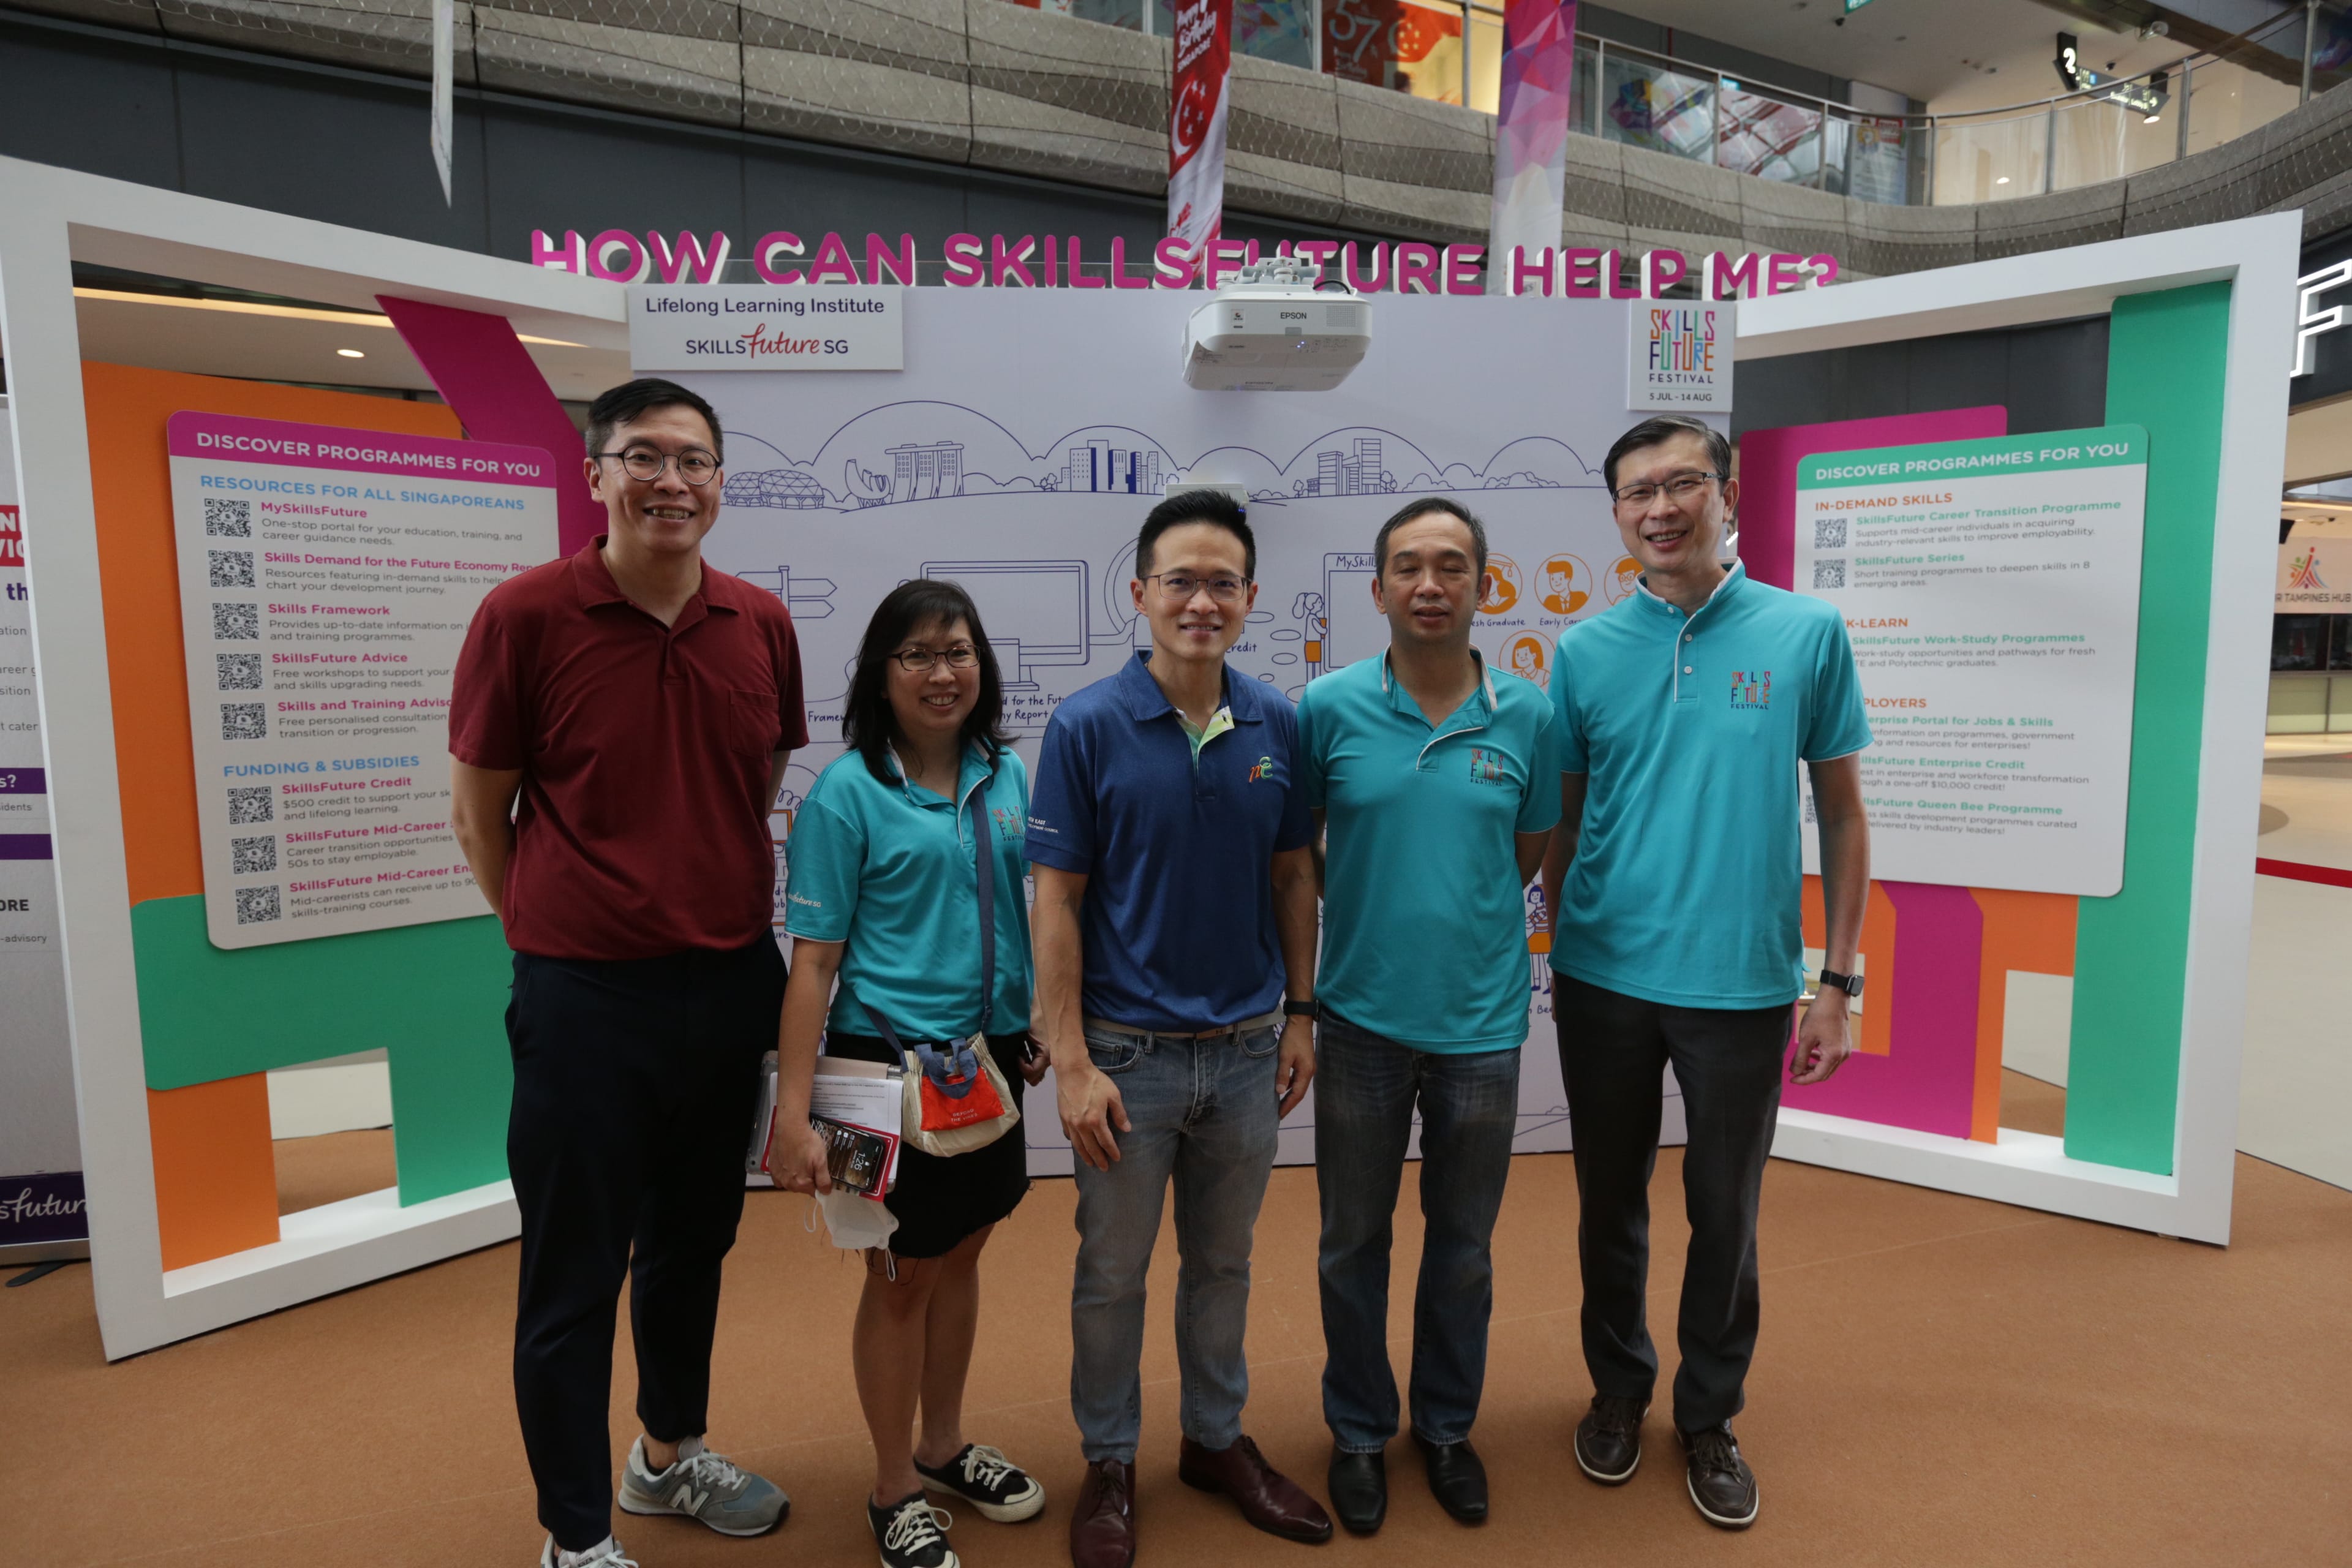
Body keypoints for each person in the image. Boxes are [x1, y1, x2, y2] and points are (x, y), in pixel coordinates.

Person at [449, 378, 804, 1568]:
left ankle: (666, 1455)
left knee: (694, 1242)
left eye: (693, 459)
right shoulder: (524, 615)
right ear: (597, 473)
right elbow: (477, 808)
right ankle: (577, 1535)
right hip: (584, 995)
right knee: (573, 1271)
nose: (670, 480)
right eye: (642, 456)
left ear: (719, 480)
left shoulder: (759, 622)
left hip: (726, 983)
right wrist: (551, 929)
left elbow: (750, 788)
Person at [1539, 414, 1871, 1532]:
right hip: (1603, 975)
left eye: (1683, 483)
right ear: (1619, 515)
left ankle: (1710, 1411)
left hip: (1740, 979)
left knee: (1725, 1210)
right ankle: (1619, 1389)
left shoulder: (1805, 632)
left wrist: (1839, 981)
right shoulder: (1585, 653)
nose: (1661, 508)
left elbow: (1842, 808)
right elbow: (1568, 821)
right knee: (1608, 1205)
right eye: (1638, 492)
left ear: (1728, 492)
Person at [1028, 490, 1333, 1568]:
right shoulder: (1086, 725)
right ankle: (1108, 1460)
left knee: (1224, 1264)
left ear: (1250, 598)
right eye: (1179, 581)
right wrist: (1067, 1061)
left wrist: (1301, 1014)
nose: (1201, 601)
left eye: (1222, 583)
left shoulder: (1275, 721)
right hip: (1125, 1058)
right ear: (1140, 593)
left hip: (1250, 1053)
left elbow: (1295, 873)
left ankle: (1213, 1441)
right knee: (1111, 1273)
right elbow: (1055, 901)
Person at [768, 579, 1050, 1568]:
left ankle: (943, 1444)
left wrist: (1038, 1021)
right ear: (880, 676)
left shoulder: (1008, 774)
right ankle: (894, 1492)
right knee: (893, 1277)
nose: (943, 673)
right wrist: (792, 1116)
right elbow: (812, 966)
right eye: (919, 655)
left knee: (964, 1251)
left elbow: (1030, 916)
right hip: (869, 1073)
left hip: (986, 1065)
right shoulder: (846, 794)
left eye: (959, 652)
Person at [1296, 499, 1559, 1535]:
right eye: (1408, 567)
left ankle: (1446, 1428)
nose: (1430, 585)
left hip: (1482, 1030)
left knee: (1464, 1247)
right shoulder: (1326, 709)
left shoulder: (1529, 715)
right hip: (1359, 1020)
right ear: (1378, 590)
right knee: (1351, 1243)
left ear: (1484, 587)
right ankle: (1360, 1432)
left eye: (1453, 567)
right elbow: (1300, 859)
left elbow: (1527, 857)